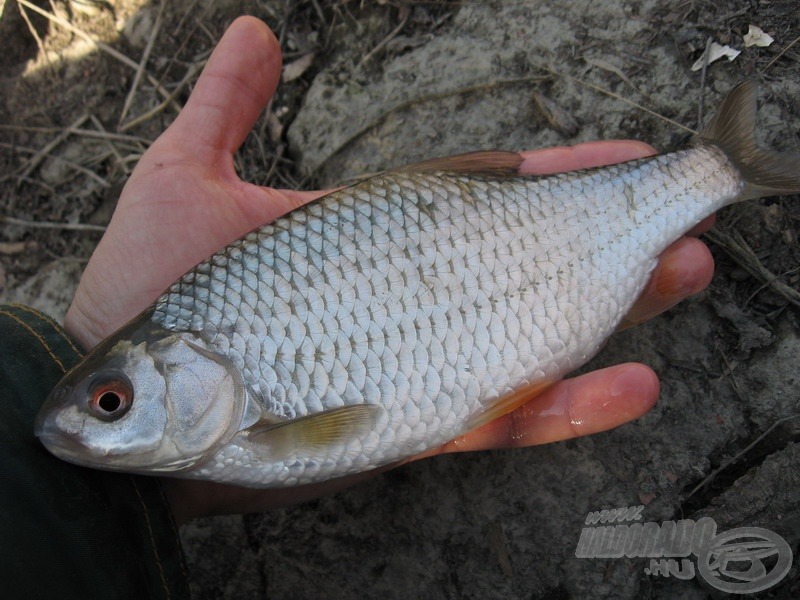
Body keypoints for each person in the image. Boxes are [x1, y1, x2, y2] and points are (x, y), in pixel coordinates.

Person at [0, 16, 715, 599]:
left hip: (517, 245)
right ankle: (715, 171)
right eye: (111, 402)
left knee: (674, 250)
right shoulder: (222, 445)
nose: (91, 421)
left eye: (113, 401)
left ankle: (717, 170)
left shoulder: (235, 442)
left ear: (186, 360)